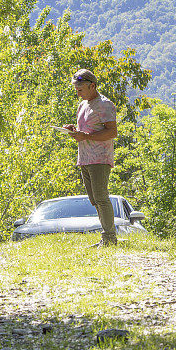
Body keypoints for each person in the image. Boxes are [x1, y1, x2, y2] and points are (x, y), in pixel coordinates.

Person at [63, 68, 118, 247]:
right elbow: (86, 129)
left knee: (101, 197)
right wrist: (73, 130)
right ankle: (107, 237)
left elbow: (112, 132)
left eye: (80, 90)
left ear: (92, 86)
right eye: (76, 90)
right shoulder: (83, 105)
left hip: (100, 158)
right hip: (84, 158)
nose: (78, 94)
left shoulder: (105, 104)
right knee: (94, 199)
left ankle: (109, 238)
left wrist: (85, 136)